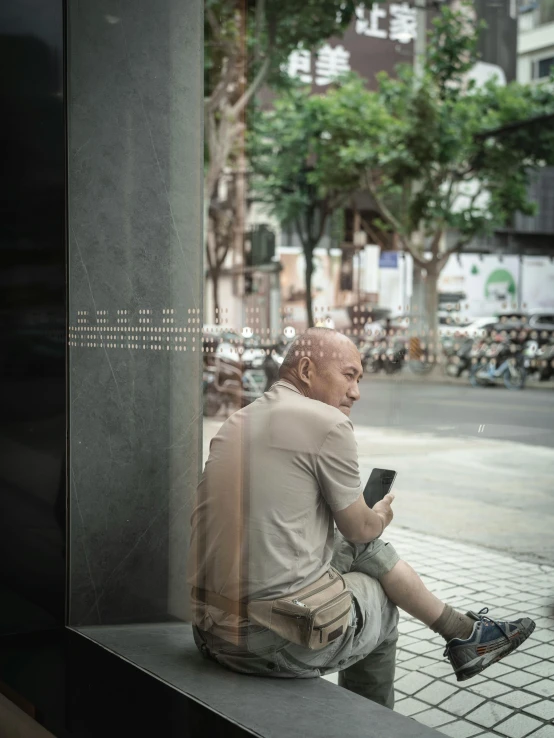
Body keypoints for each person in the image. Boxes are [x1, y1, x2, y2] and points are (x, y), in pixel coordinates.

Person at [187, 327, 535, 709]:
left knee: (359, 550)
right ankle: (373, 725)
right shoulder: (327, 423)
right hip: (264, 643)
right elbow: (360, 527)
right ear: (305, 369)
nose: (356, 391)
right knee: (383, 603)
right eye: (349, 375)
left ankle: (463, 632)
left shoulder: (239, 420)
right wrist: (380, 514)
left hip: (208, 628)